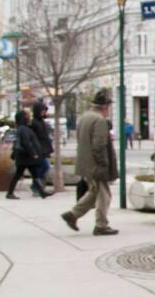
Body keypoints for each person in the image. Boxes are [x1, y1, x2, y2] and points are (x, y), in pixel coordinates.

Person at [61, 89, 119, 235]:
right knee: (104, 195)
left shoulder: (85, 117)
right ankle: (101, 225)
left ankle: (73, 214)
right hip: (95, 165)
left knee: (94, 192)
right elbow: (98, 146)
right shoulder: (99, 120)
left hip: (85, 163)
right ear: (105, 106)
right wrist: (103, 165)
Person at [5, 110, 46, 199]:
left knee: (33, 174)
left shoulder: (22, 128)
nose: (29, 117)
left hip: (25, 157)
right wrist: (33, 153)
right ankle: (9, 193)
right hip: (25, 157)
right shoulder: (23, 129)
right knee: (19, 174)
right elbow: (26, 142)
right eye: (27, 116)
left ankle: (42, 192)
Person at [30, 101, 54, 197]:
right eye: (43, 111)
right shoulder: (35, 123)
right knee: (45, 166)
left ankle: (38, 186)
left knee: (42, 167)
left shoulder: (41, 122)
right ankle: (36, 185)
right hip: (39, 150)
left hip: (44, 149)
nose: (44, 113)